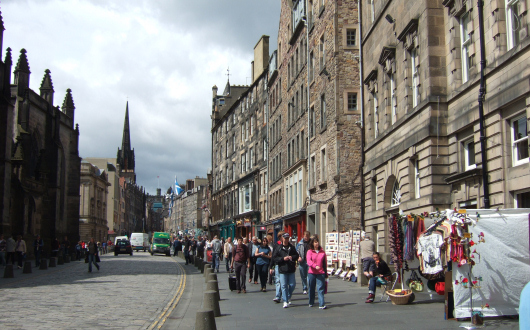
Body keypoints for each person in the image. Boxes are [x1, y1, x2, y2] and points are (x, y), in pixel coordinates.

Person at [272, 232, 299, 308]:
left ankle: (288, 295)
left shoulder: (292, 247)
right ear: (282, 238)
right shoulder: (279, 248)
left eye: (287, 238)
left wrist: (292, 257)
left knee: (292, 285)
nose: (286, 240)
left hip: (291, 269)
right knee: (283, 286)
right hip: (282, 269)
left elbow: (296, 255)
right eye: (285, 238)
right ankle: (285, 301)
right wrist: (282, 259)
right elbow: (274, 258)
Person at [306, 236, 327, 309]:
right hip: (312, 272)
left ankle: (321, 304)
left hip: (321, 272)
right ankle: (311, 302)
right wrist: (314, 266)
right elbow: (308, 261)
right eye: (315, 242)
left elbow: (325, 263)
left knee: (320, 288)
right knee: (311, 288)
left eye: (317, 242)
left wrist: (326, 273)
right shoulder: (310, 251)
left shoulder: (322, 252)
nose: (316, 244)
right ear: (312, 243)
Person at [271, 230, 284, 303]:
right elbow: (273, 256)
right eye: (283, 236)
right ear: (280, 237)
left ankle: (285, 295)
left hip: (285, 265)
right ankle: (278, 296)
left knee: (285, 282)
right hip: (277, 265)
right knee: (278, 281)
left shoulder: (288, 245)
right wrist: (271, 266)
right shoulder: (276, 245)